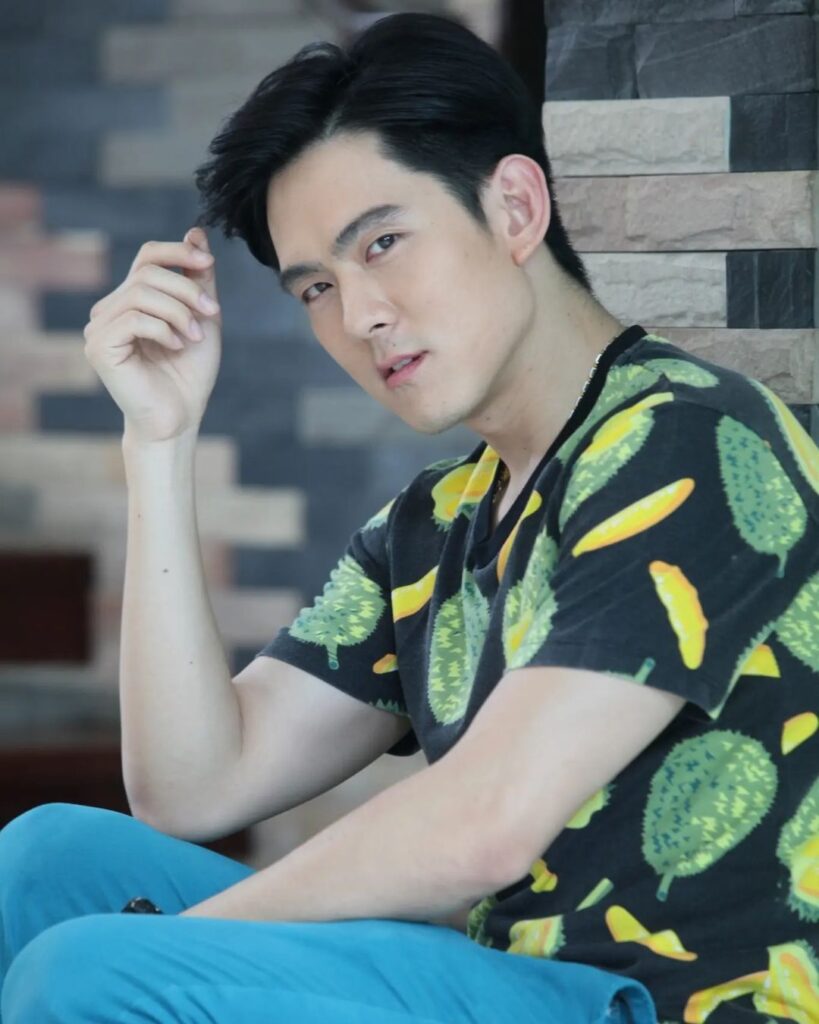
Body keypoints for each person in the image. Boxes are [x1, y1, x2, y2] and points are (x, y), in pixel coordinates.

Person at [1, 10, 816, 1023]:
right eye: (316, 286)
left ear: (514, 207)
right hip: (507, 988)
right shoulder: (434, 523)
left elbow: (484, 825)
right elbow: (192, 788)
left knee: (85, 972)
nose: (360, 316)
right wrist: (157, 444)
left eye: (382, 243)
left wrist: (177, 948)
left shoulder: (687, 440)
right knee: (46, 859)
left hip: (667, 1006)